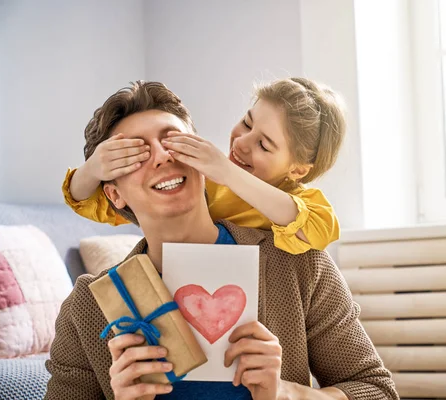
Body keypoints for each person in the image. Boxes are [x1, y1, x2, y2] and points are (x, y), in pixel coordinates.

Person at [44, 81, 398, 400]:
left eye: (173, 141)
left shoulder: (301, 265)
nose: (163, 156)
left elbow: (376, 391)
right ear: (114, 195)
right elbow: (79, 192)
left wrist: (286, 394)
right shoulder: (86, 307)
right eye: (134, 153)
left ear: (202, 158)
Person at [62, 77, 345, 255]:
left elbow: (319, 229)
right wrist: (94, 167)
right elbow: (87, 200)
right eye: (246, 123)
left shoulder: (297, 202)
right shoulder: (199, 178)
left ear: (297, 170)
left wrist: (227, 173)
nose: (242, 143)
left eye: (264, 145)